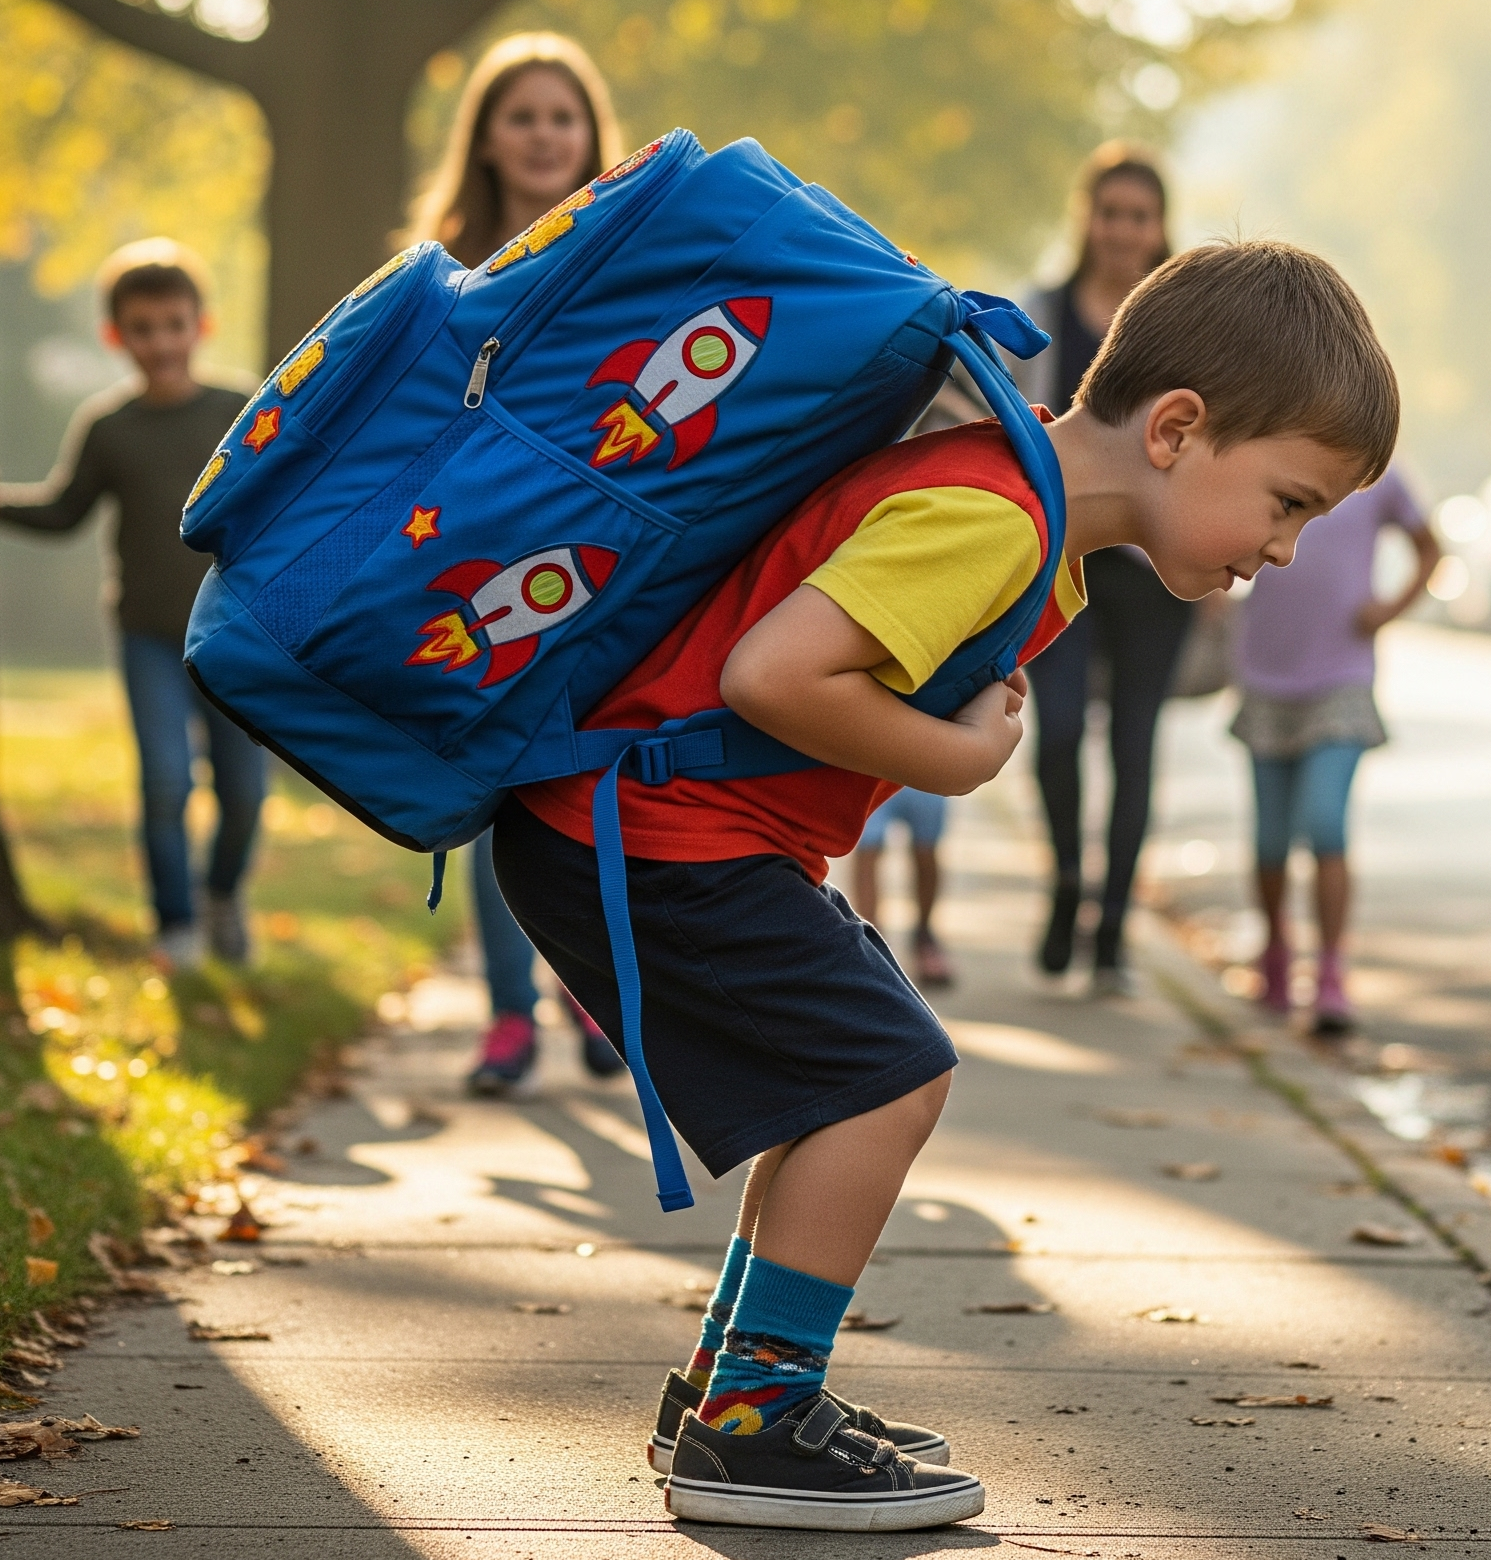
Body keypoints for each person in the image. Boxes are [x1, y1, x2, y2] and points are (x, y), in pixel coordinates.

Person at [493, 241, 1399, 1529]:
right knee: (885, 1076)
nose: (1290, 548)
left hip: (653, 830)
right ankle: (752, 1422)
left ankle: (731, 1393)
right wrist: (962, 759)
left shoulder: (1018, 505)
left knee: (848, 1081)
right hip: (651, 833)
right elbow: (772, 676)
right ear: (1176, 430)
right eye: (1287, 501)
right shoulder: (995, 518)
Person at [403, 32, 628, 1092]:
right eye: (521, 117)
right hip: (473, 552)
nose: (544, 136)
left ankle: (585, 989)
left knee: (576, 787)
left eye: (561, 117)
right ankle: (506, 1015)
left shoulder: (633, 242)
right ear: (485, 138)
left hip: (601, 547)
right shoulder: (441, 269)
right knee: (492, 785)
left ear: (590, 133)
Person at [0, 240, 259, 970]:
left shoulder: (241, 412)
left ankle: (222, 896)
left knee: (243, 792)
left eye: (174, 325)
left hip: (236, 636)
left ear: (202, 325)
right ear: (116, 335)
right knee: (166, 781)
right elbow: (63, 510)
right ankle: (176, 926)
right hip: (149, 637)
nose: (161, 343)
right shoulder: (109, 429)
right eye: (143, 328)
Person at [1011, 145, 1196, 993]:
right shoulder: (1044, 312)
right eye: (1110, 213)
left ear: (1160, 228)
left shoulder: (1184, 324)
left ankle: (1114, 931)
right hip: (1065, 553)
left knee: (1133, 745)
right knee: (1055, 735)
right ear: (1087, 219)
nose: (1123, 230)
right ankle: (1066, 886)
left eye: (1139, 216)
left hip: (1154, 569)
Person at [1230, 466, 1438, 1035]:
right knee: (1270, 840)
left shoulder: (1379, 480)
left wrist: (1389, 610)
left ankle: (1329, 973)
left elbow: (1430, 548)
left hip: (1341, 678)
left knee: (1325, 824)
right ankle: (1275, 952)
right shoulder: (1274, 458)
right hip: (1267, 671)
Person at [851, 789, 953, 989]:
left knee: (926, 850)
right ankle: (869, 945)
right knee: (867, 849)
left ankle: (924, 936)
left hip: (926, 775)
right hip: (872, 775)